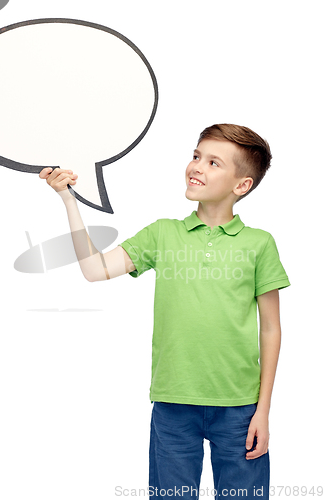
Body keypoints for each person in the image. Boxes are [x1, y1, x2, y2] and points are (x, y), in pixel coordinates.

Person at [39, 123, 290, 500]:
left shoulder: (259, 244)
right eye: (195, 156)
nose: (197, 167)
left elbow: (271, 329)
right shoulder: (162, 234)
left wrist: (263, 411)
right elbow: (94, 270)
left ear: (242, 185)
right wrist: (68, 200)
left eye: (213, 162)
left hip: (239, 408)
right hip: (173, 403)